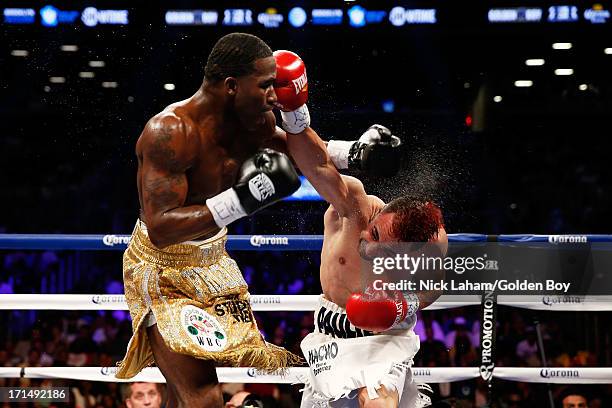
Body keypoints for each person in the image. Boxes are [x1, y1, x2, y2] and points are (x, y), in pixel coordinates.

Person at [115, 32, 401, 408]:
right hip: (163, 270)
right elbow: (161, 226)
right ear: (232, 86)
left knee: (186, 395)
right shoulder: (170, 132)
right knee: (201, 397)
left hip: (212, 262)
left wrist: (356, 153)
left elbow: (303, 155)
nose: (274, 95)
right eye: (266, 85)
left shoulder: (254, 120)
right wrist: (244, 199)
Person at [299, 172, 448, 407]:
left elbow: (434, 286)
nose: (373, 247)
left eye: (388, 253)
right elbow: (317, 165)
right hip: (330, 336)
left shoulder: (431, 243)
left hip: (385, 338)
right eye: (375, 233)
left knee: (378, 402)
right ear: (382, 213)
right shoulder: (354, 203)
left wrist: (404, 304)